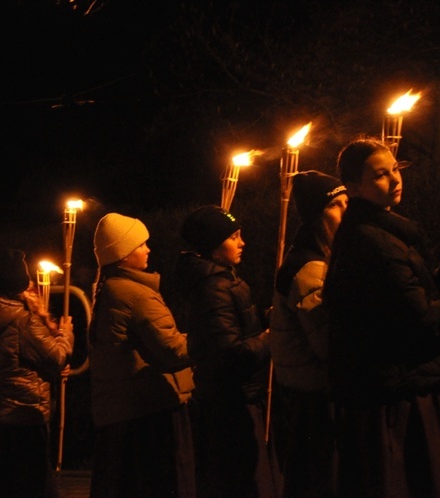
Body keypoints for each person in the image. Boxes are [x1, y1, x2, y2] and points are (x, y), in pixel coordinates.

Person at [323, 138, 440, 498]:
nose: (394, 180)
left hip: (395, 388)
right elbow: (426, 322)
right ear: (355, 186)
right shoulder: (373, 243)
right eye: (380, 175)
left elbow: (416, 301)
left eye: (395, 169)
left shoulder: (382, 235)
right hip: (393, 401)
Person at [89, 212, 195, 498]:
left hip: (122, 410)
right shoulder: (136, 294)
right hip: (147, 409)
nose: (148, 250)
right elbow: (171, 349)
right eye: (140, 245)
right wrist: (205, 340)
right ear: (123, 253)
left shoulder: (108, 289)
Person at [174, 205, 275, 498]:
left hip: (234, 400)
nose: (242, 243)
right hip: (230, 405)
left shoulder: (223, 281)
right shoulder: (213, 288)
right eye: (233, 237)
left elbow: (237, 329)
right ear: (213, 245)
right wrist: (271, 338)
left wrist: (268, 319)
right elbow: (229, 354)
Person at [269, 171, 348, 498]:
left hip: (314, 396)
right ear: (317, 214)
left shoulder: (320, 261)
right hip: (318, 399)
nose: (345, 212)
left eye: (347, 203)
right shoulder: (310, 269)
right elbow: (329, 342)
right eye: (336, 205)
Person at [0, 248, 74, 498]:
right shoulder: (24, 321)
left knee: (7, 485)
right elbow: (56, 357)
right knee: (38, 484)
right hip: (26, 413)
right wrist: (65, 334)